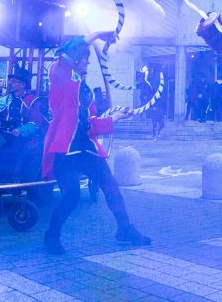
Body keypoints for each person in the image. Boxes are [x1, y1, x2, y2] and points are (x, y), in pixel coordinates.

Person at [42, 31, 151, 255]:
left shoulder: (86, 91)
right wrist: (97, 34)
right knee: (71, 196)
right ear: (75, 59)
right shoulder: (60, 77)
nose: (88, 63)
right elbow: (66, 54)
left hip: (86, 149)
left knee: (111, 187)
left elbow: (91, 124)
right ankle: (51, 235)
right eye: (85, 59)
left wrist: (116, 117)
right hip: (65, 150)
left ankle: (124, 229)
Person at [0, 67, 48, 182]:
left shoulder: (33, 101)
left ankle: (17, 181)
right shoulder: (5, 101)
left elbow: (36, 122)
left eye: (14, 81)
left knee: (21, 153)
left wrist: (20, 131)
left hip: (27, 139)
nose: (11, 83)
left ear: (23, 85)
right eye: (11, 81)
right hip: (7, 136)